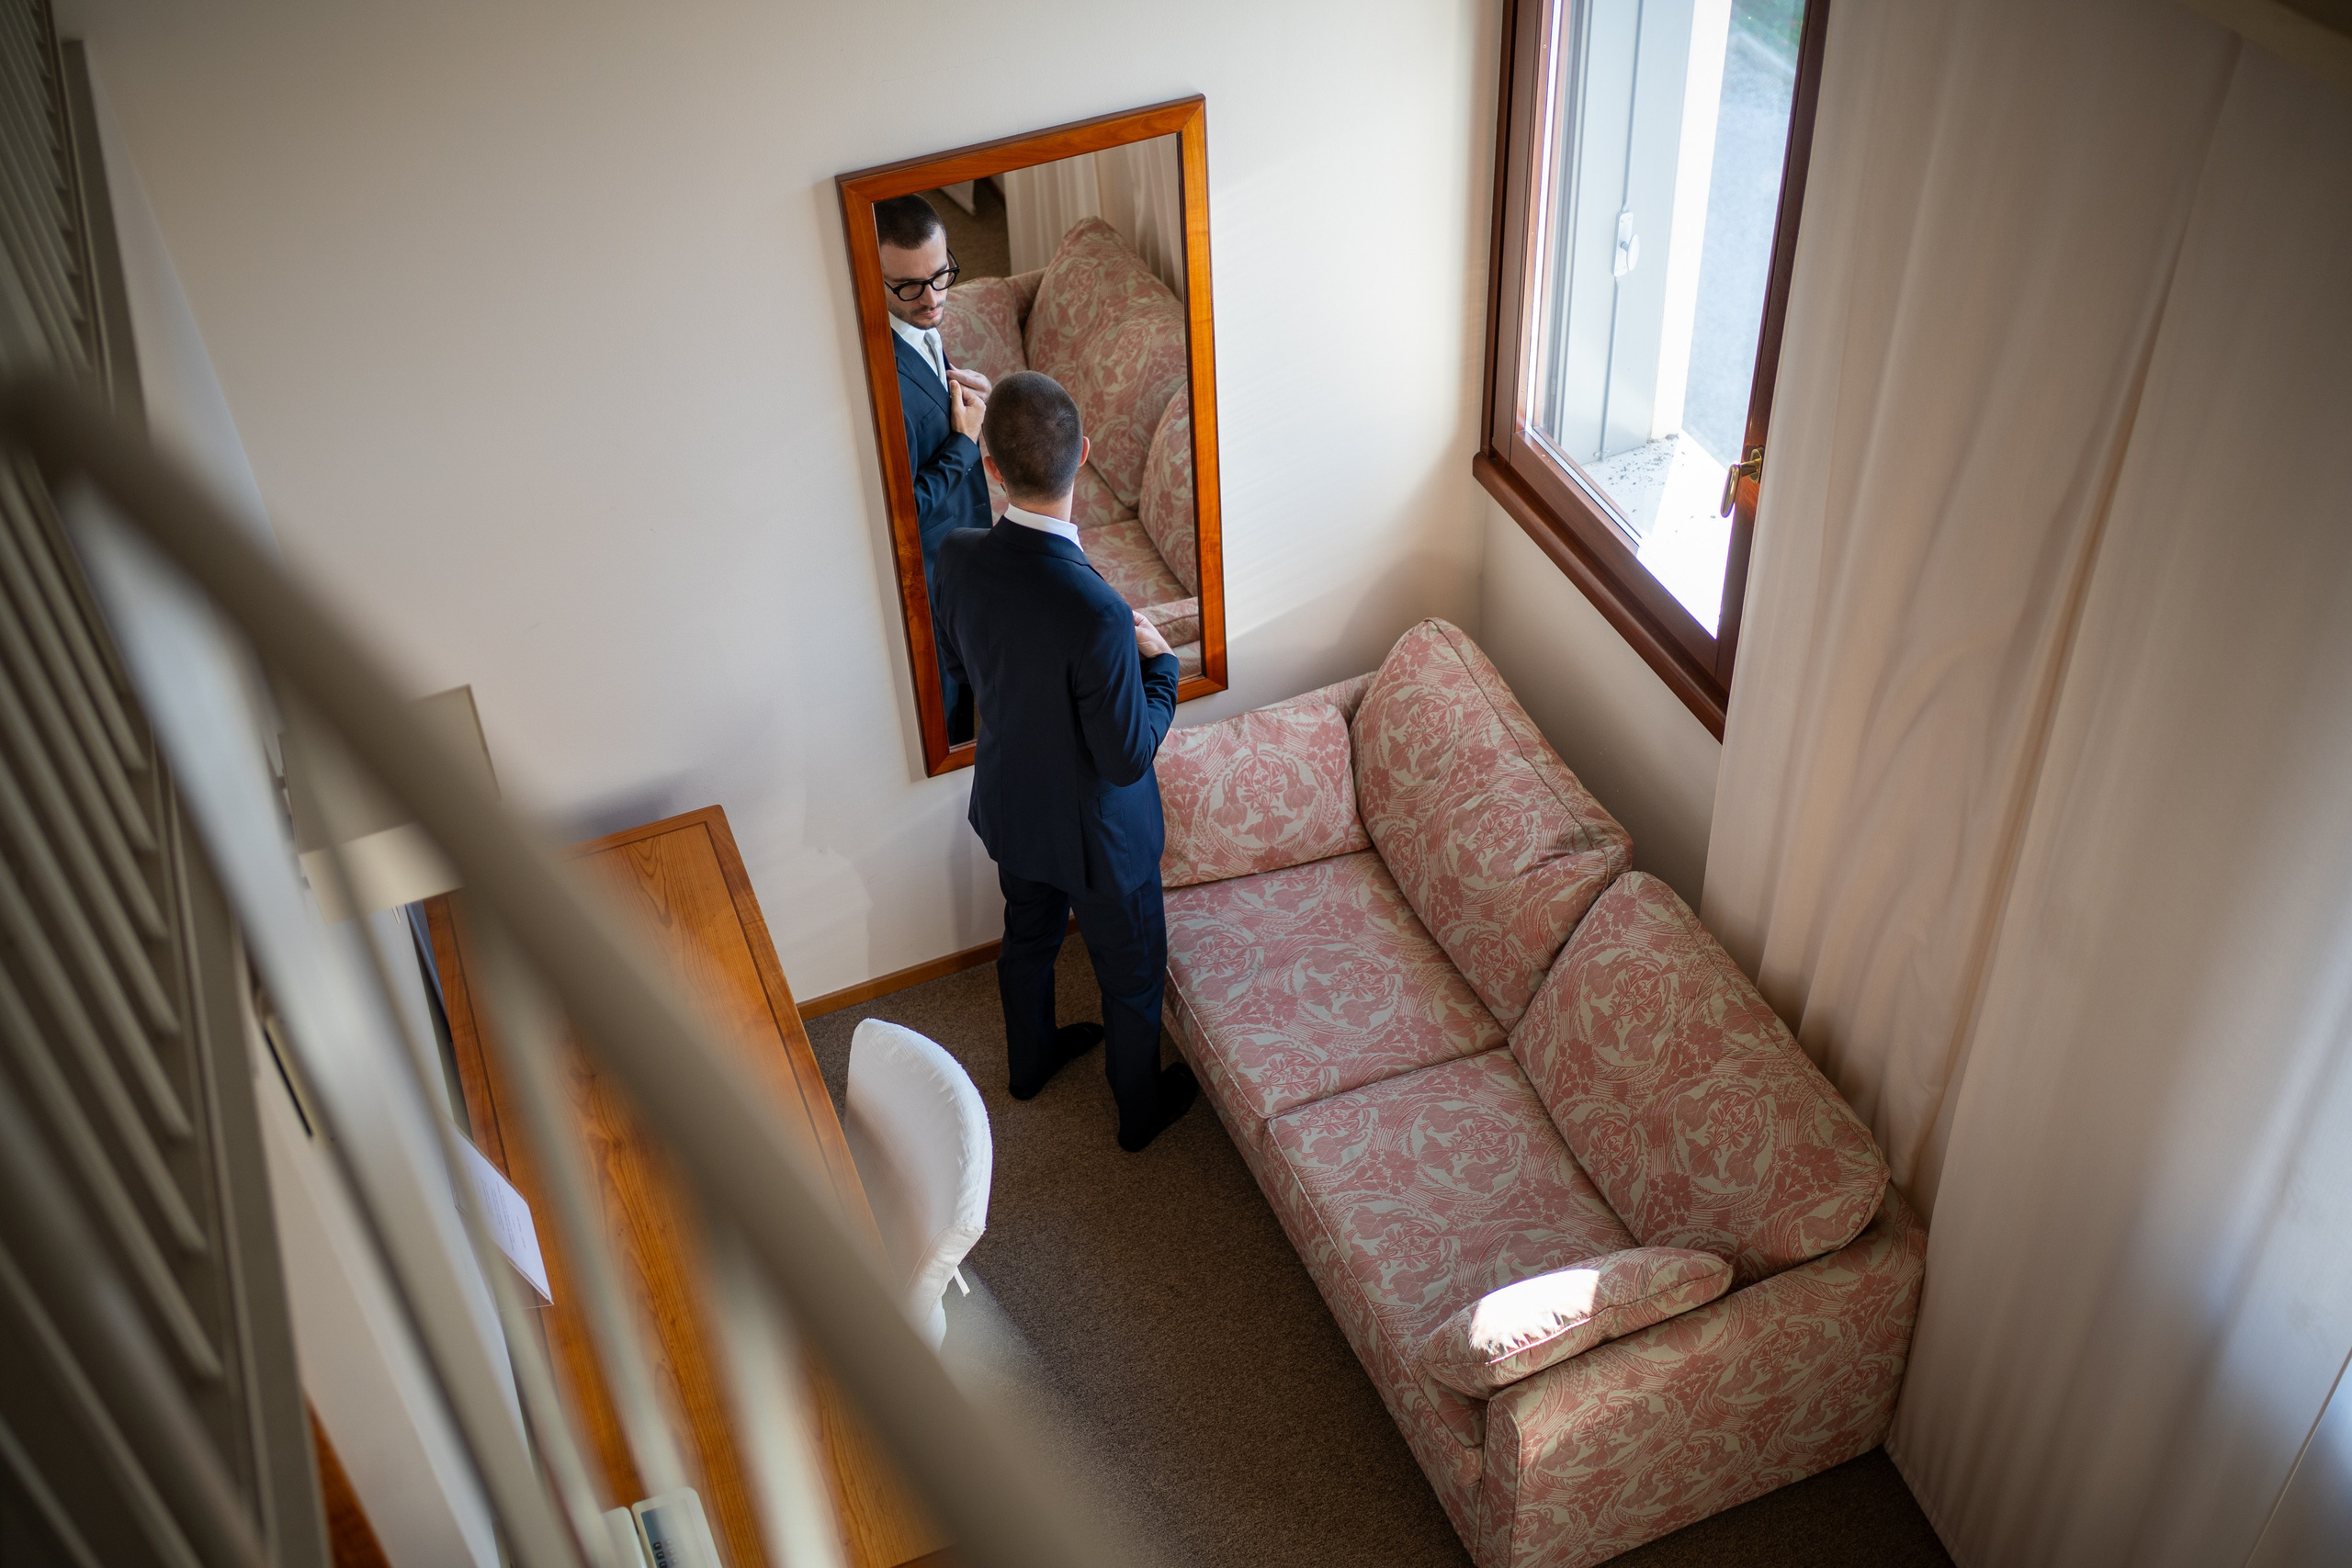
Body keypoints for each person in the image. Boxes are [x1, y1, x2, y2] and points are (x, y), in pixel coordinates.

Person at [933, 371, 1198, 1153]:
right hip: (1102, 839)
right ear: (1083, 453)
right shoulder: (1101, 613)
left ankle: (1030, 1061)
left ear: (988, 465)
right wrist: (1159, 667)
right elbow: (1124, 757)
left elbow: (963, 667)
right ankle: (1137, 1111)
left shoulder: (956, 555)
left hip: (1015, 803)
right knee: (1131, 972)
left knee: (1029, 935)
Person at [875, 193, 991, 743]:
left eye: (940, 275)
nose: (931, 298)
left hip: (967, 558)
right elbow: (900, 514)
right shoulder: (879, 380)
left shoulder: (923, 325)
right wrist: (965, 444)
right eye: (908, 286)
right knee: (949, 726)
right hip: (932, 581)